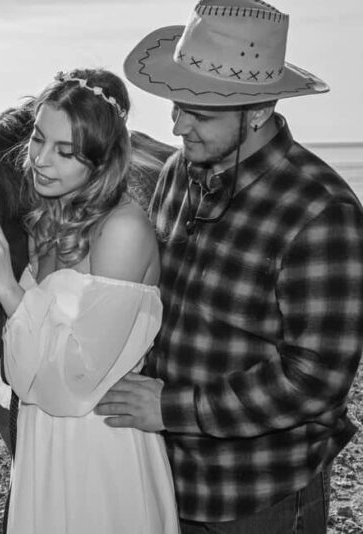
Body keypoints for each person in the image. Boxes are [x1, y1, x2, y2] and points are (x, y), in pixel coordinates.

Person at [95, 1, 363, 532]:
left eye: (200, 113)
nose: (177, 127)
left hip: (258, 495)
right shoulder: (178, 173)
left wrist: (174, 408)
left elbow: (316, 379)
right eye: (176, 105)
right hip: (162, 477)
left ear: (258, 110)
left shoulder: (321, 211)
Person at [0, 68, 179, 533]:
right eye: (38, 140)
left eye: (65, 152)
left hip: (100, 452)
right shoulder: (48, 225)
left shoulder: (121, 231)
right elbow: (24, 372)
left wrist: (7, 286)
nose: (42, 160)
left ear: (102, 161)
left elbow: (75, 381)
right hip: (42, 442)